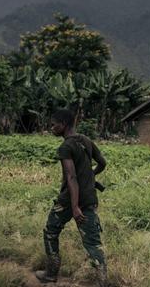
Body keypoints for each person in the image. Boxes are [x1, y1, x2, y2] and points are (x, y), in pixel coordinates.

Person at [35, 109, 107, 286]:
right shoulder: (86, 140)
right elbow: (102, 163)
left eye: (53, 125)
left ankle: (51, 274)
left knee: (51, 231)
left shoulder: (66, 147)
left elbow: (71, 177)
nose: (51, 128)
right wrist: (90, 175)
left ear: (64, 125)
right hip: (89, 197)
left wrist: (75, 207)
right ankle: (103, 282)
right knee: (93, 243)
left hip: (69, 200)